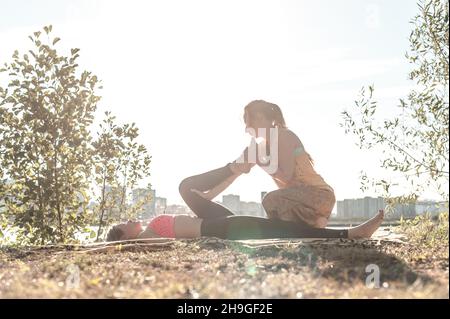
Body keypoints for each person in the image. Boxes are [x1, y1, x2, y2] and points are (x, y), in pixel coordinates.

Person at [106, 100, 385, 242]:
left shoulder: (282, 137)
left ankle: (318, 228)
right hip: (216, 227)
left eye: (248, 121)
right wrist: (232, 175)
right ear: (124, 237)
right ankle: (347, 234)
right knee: (270, 224)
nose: (246, 126)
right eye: (121, 226)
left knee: (186, 187)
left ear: (264, 119)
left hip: (308, 198)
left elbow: (285, 175)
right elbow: (236, 179)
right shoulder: (144, 238)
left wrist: (208, 195)